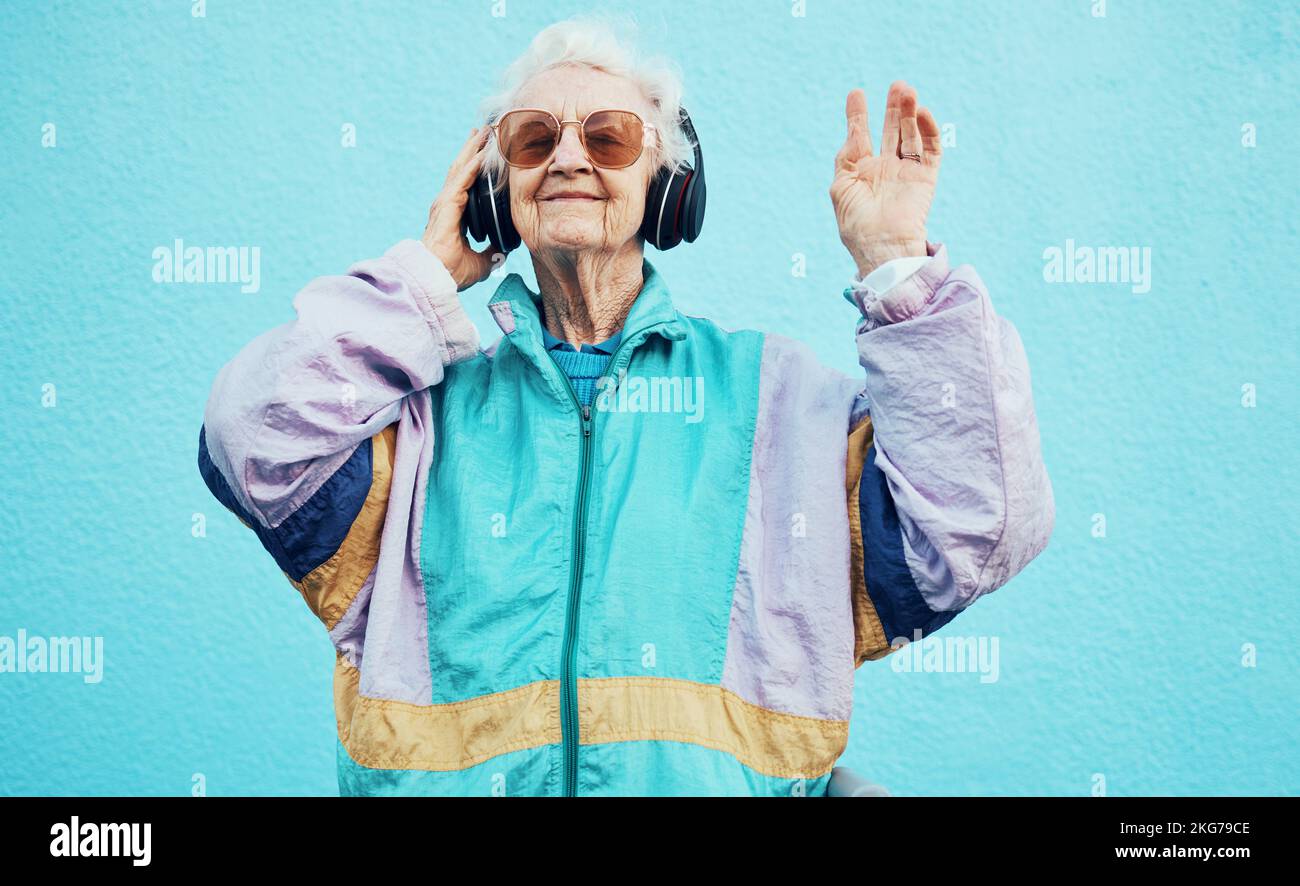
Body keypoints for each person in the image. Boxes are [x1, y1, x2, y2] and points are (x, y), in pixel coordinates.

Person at [197, 16, 1054, 797]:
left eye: (608, 138)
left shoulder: (780, 407)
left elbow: (978, 530)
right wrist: (425, 280)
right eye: (534, 140)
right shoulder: (417, 425)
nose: (569, 158)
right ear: (496, 193)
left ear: (669, 183)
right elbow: (247, 442)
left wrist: (896, 264)